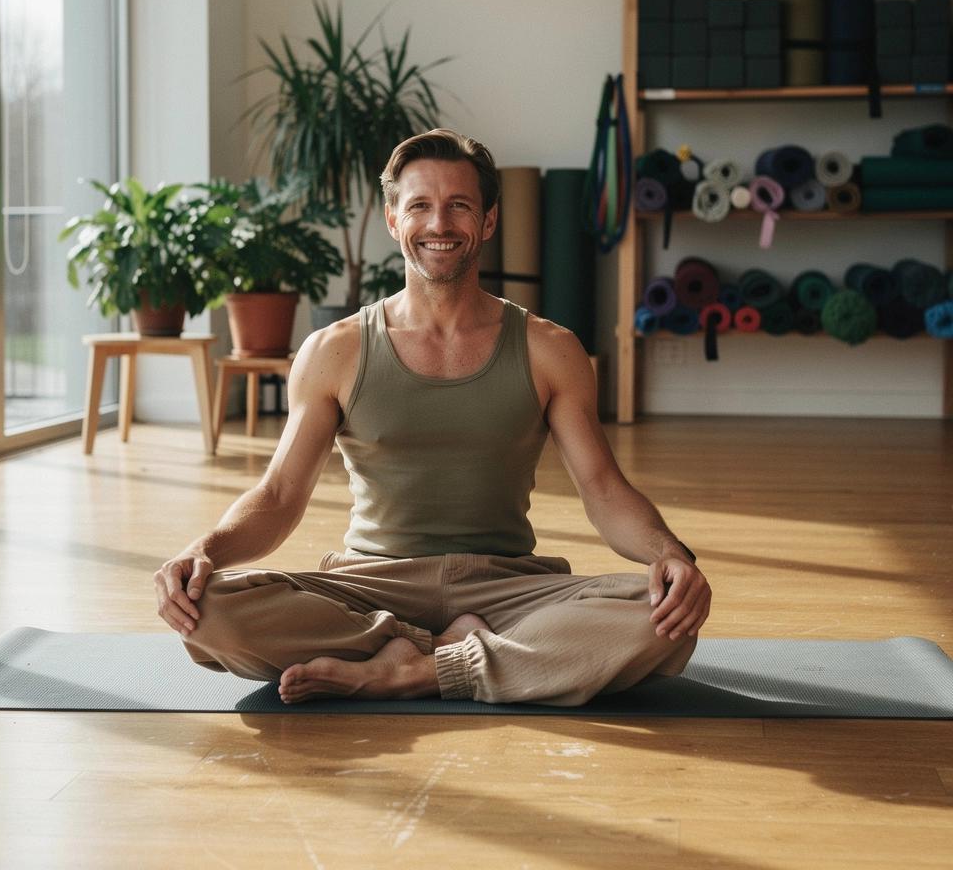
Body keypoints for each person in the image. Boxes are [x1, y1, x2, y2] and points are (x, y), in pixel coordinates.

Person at [154, 128, 711, 707]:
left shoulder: (551, 349)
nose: (439, 224)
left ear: (488, 221)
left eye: (459, 206)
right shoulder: (334, 351)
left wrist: (670, 556)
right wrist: (203, 551)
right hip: (370, 588)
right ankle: (455, 653)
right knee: (209, 609)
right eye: (419, 205)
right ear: (394, 220)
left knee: (663, 617)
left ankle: (411, 668)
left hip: (507, 585)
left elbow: (602, 490)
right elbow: (278, 497)